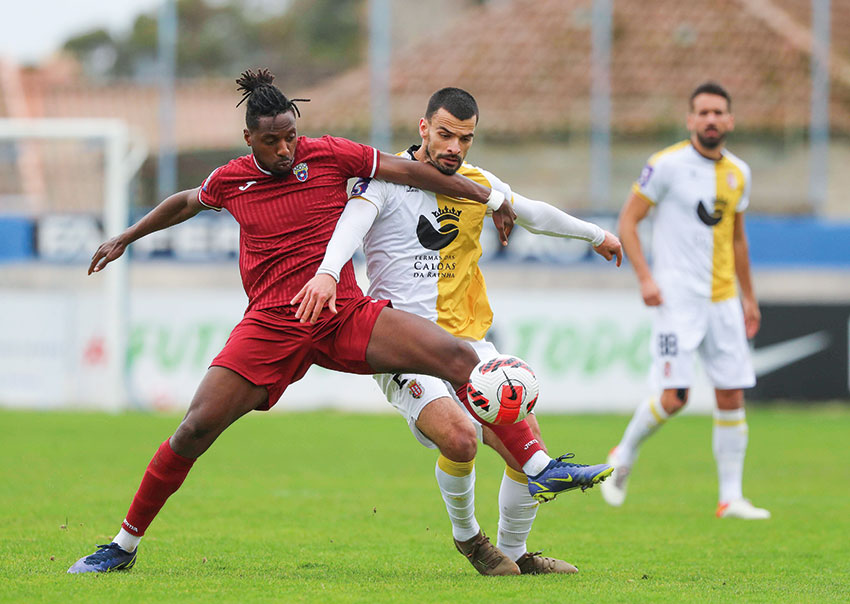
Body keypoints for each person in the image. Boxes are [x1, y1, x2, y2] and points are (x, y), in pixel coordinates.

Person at [68, 69, 604, 574]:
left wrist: (493, 197)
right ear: (249, 138)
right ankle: (123, 545)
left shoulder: (329, 154)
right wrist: (124, 238)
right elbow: (186, 201)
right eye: (273, 141)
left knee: (463, 357)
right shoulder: (230, 181)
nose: (286, 150)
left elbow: (413, 171)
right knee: (194, 429)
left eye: (291, 137)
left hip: (344, 312)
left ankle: (537, 468)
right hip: (273, 324)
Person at [292, 87, 621, 575]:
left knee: (524, 440)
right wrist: (326, 271)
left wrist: (596, 234)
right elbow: (351, 225)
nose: (454, 147)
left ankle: (515, 553)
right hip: (402, 343)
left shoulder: (476, 183)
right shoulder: (384, 180)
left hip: (469, 343)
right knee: (462, 438)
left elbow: (532, 212)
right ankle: (470, 541)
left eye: (464, 138)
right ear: (423, 128)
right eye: (445, 134)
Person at [599, 82, 770, 520]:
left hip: (724, 300)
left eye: (719, 112)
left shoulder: (739, 173)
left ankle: (730, 498)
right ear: (690, 119)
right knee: (675, 396)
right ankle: (625, 453)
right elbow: (628, 221)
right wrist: (645, 279)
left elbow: (737, 240)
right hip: (677, 298)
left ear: (730, 120)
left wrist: (749, 298)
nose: (711, 119)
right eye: (703, 112)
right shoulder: (666, 165)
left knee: (731, 394)